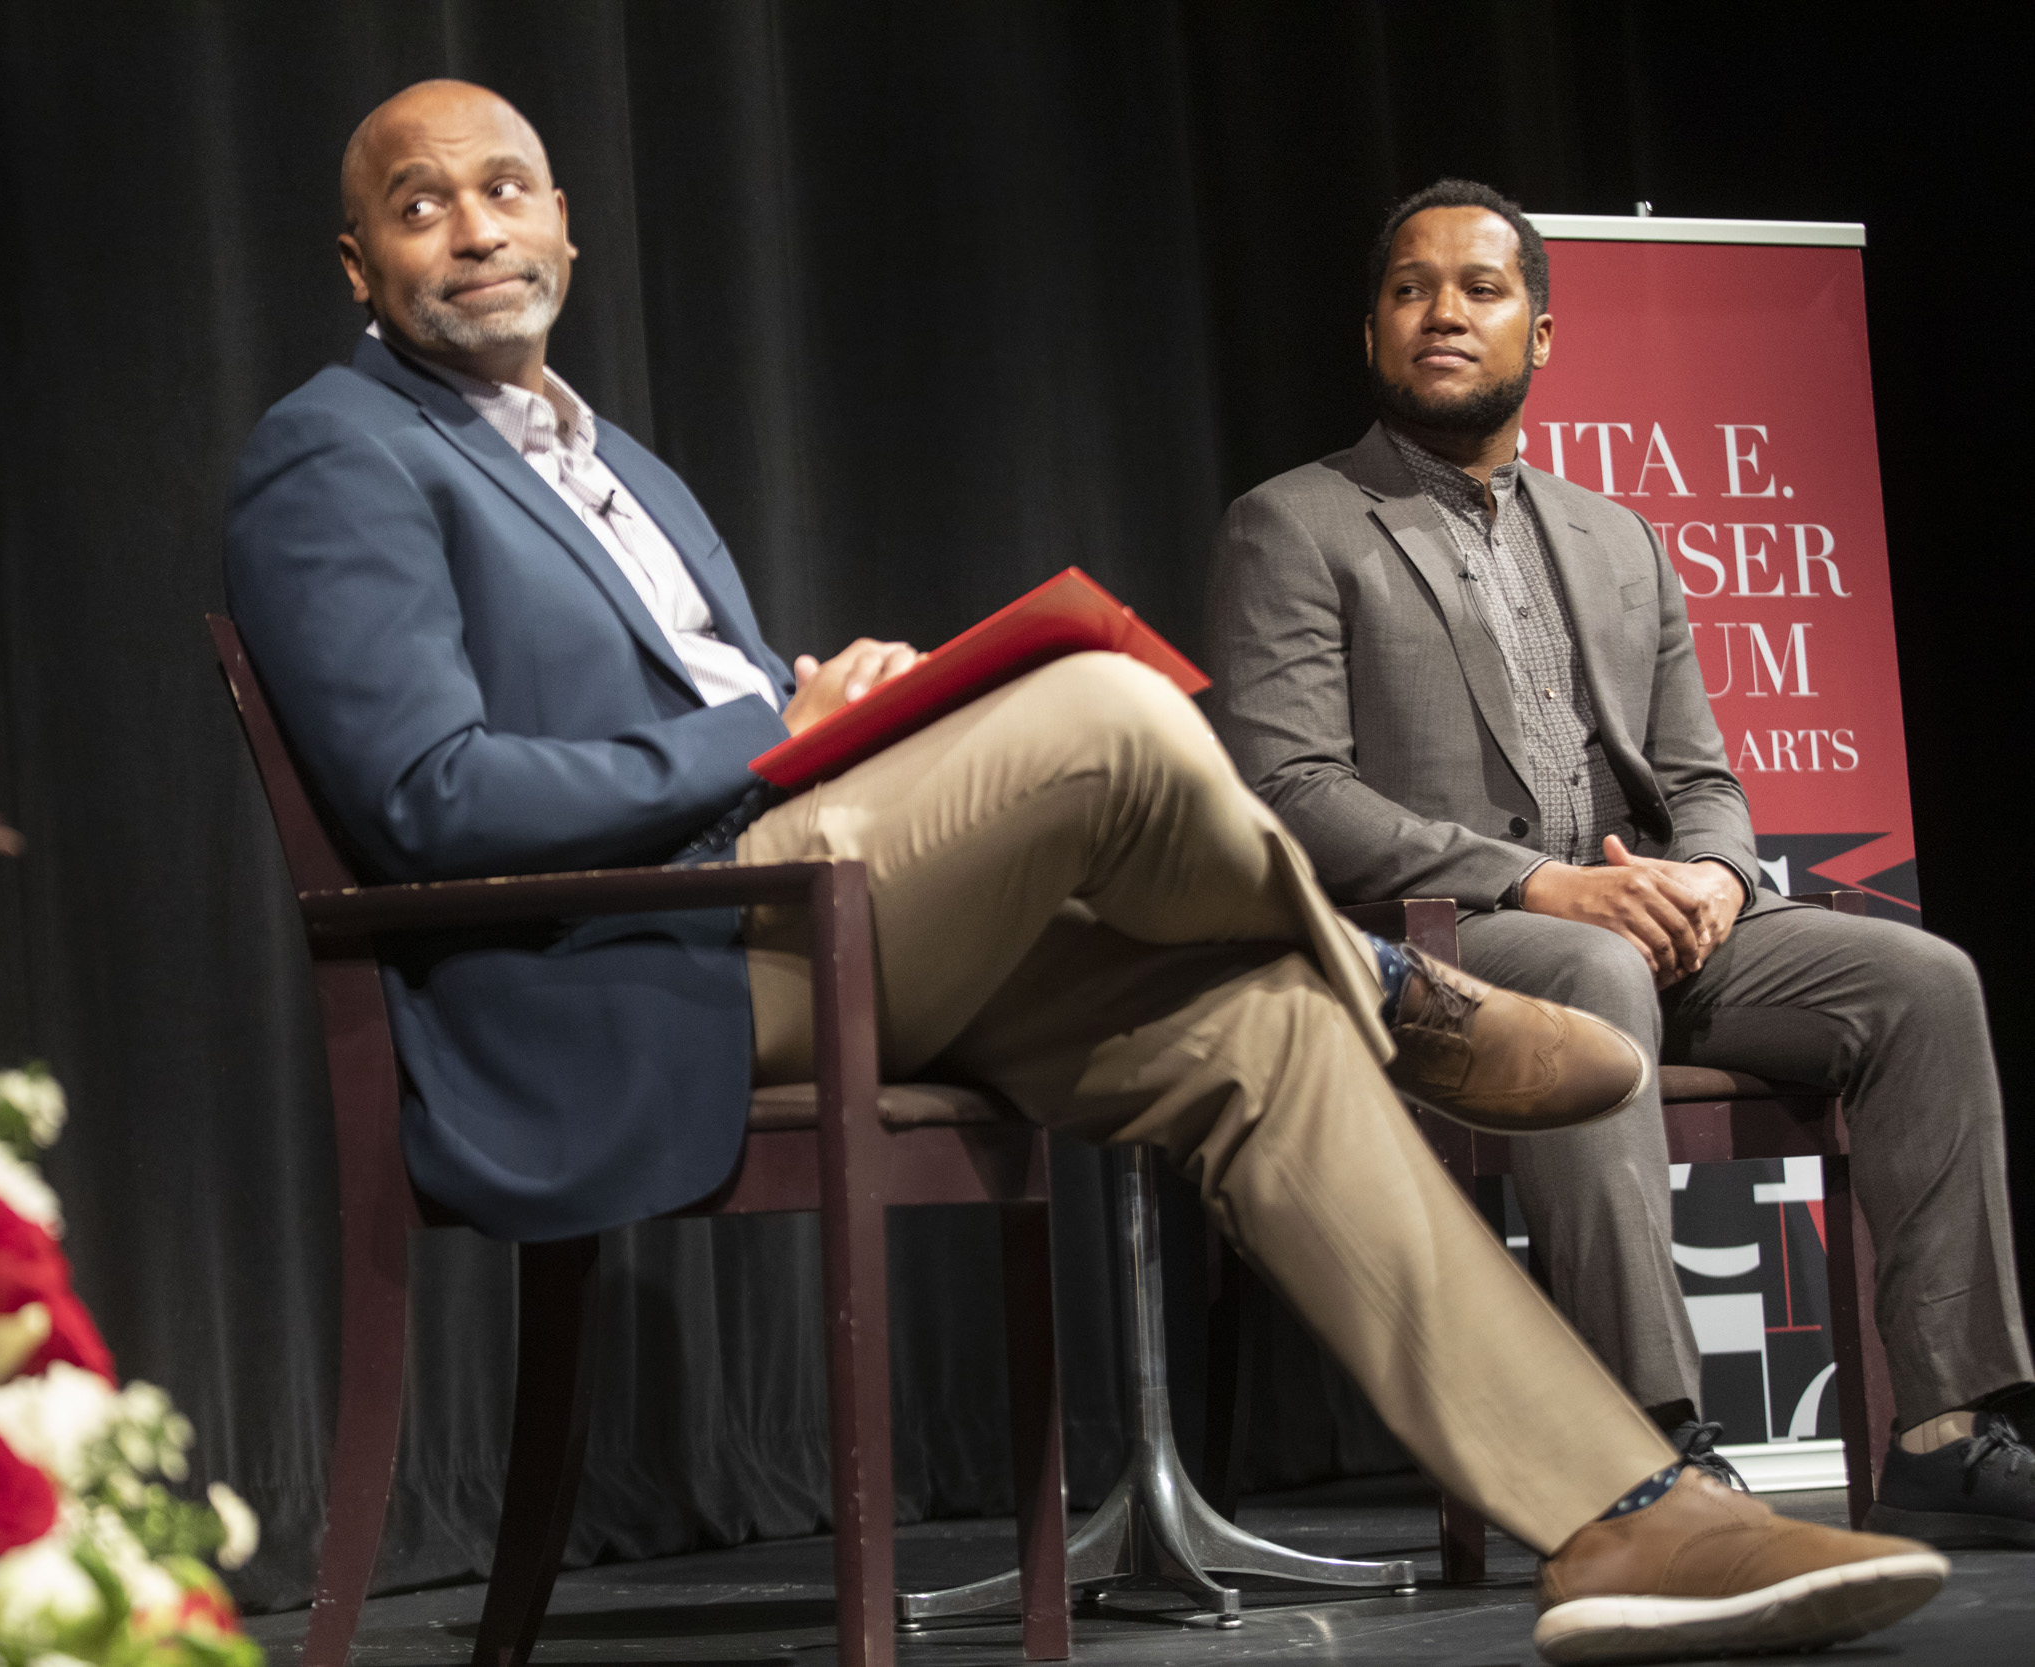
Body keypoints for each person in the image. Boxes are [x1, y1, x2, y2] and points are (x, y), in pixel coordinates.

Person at [225, 87, 1949, 1661]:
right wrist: (768, 735)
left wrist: (837, 727)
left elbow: (721, 727)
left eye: (504, 187)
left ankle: (1616, 1514)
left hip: (799, 912)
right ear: (359, 260)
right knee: (1111, 707)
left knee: (1261, 1024)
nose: (472, 226)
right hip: (637, 961)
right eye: (420, 202)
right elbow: (426, 801)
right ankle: (1396, 982)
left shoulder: (631, 473)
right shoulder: (338, 453)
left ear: (566, 229)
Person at [1201, 176, 2035, 1551]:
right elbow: (1286, 792)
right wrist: (1539, 885)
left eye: (1482, 289)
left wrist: (1711, 876)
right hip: (1427, 946)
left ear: (1543, 334)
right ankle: (1647, 1447)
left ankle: (1946, 1429)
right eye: (1411, 290)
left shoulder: (1618, 535)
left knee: (1924, 983)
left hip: (1641, 920)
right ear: (1370, 336)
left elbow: (1700, 777)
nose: (1444, 315)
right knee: (1593, 969)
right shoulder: (1294, 523)